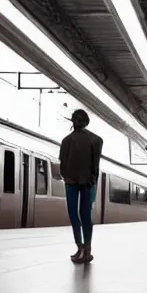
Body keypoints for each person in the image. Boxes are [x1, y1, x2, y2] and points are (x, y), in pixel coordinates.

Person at [59, 109, 102, 264]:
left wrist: (67, 177)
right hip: (88, 183)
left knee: (73, 214)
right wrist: (93, 179)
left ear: (73, 122)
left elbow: (62, 164)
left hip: (71, 182)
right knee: (85, 215)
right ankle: (87, 248)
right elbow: (96, 165)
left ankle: (80, 248)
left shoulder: (66, 141)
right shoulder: (96, 140)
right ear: (86, 122)